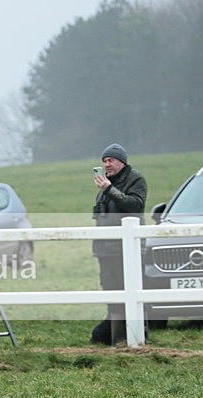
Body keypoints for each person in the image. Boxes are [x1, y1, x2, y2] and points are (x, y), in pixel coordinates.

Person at [90, 143, 147, 346]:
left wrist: (109, 189)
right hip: (106, 250)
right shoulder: (105, 184)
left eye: (111, 160)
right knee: (112, 293)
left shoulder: (135, 180)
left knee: (132, 295)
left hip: (127, 250)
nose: (107, 164)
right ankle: (115, 339)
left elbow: (135, 205)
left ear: (121, 162)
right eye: (104, 161)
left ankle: (134, 339)